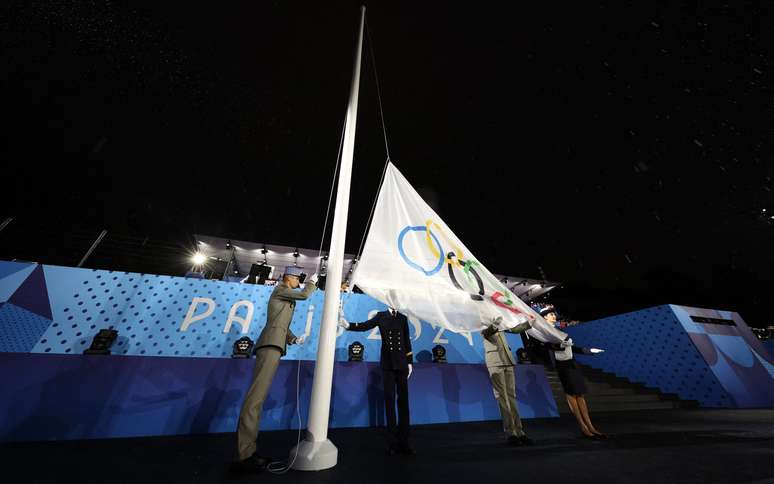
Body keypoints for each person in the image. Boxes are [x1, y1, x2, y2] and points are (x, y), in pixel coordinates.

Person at [232, 266, 318, 472]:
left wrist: (294, 338)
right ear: (290, 278)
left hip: (274, 345)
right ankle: (244, 455)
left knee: (257, 400)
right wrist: (312, 283)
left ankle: (248, 451)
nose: (300, 282)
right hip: (269, 346)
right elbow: (305, 295)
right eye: (299, 279)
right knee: (255, 400)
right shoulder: (280, 288)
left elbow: (280, 324)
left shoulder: (284, 297)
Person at [338, 307, 414, 455]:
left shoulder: (403, 318)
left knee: (404, 403)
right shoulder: (381, 316)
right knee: (390, 402)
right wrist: (348, 325)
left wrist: (410, 361)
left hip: (402, 364)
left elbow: (406, 340)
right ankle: (392, 442)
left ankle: (404, 442)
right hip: (388, 365)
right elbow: (365, 326)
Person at [540, 306, 606, 440]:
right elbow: (545, 345)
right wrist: (560, 346)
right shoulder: (545, 330)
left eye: (554, 314)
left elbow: (572, 347)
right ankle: (583, 427)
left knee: (580, 395)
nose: (553, 316)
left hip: (572, 363)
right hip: (562, 365)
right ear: (545, 317)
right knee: (571, 395)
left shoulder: (558, 329)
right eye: (550, 314)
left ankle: (591, 426)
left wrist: (590, 351)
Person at [481, 316, 534, 446]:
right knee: (502, 398)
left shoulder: (500, 321)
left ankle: (520, 432)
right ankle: (511, 433)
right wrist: (494, 325)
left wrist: (529, 323)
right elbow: (487, 333)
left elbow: (515, 329)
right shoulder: (481, 321)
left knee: (511, 397)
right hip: (495, 362)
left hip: (508, 361)